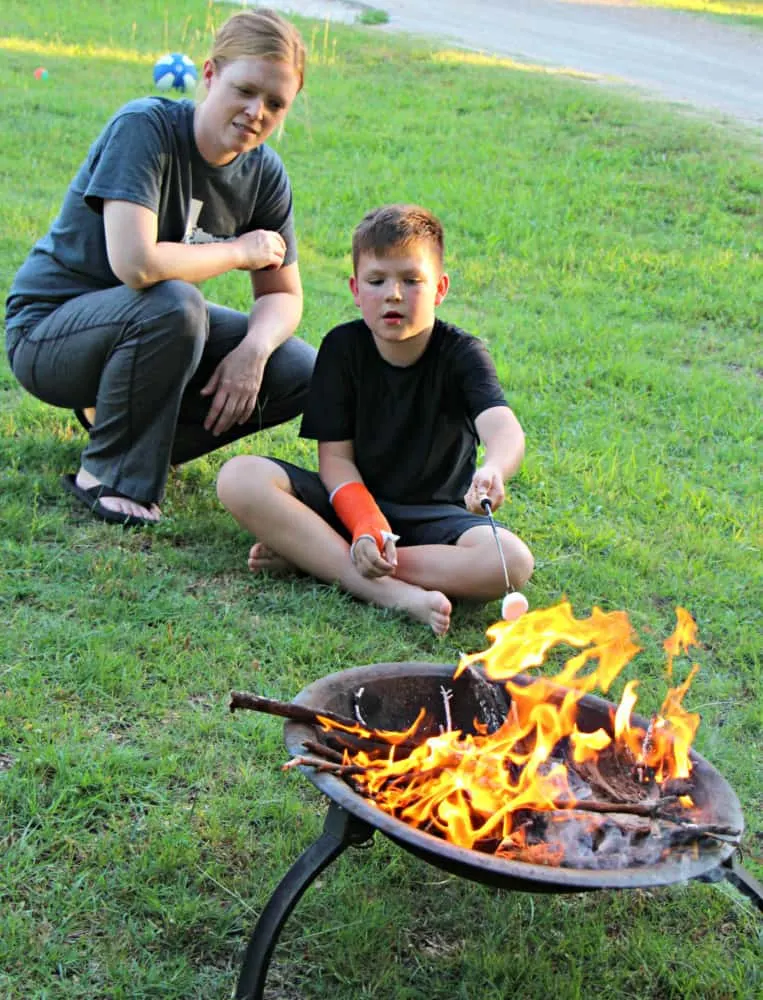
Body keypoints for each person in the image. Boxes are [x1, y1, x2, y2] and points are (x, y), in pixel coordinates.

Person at [4, 8, 316, 526]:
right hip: (48, 332)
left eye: (276, 103)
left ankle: (127, 432)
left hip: (151, 329)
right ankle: (109, 474)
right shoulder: (143, 128)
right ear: (210, 73)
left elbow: (283, 296)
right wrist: (241, 250)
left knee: (299, 371)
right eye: (245, 89)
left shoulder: (263, 173)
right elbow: (137, 264)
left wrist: (253, 352)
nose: (256, 111)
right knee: (177, 303)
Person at [216, 204, 533, 635]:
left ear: (440, 288)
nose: (393, 294)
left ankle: (317, 557)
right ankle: (389, 591)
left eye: (411, 280)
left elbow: (502, 425)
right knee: (240, 476)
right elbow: (336, 462)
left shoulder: (462, 354)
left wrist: (495, 466)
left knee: (511, 561)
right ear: (355, 289)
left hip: (433, 518)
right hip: (350, 508)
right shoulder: (341, 349)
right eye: (377, 280)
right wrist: (365, 526)